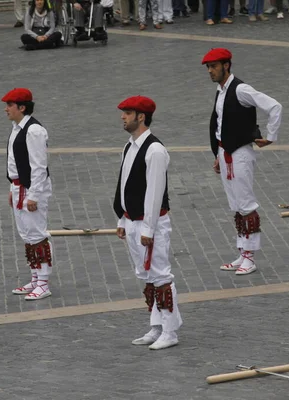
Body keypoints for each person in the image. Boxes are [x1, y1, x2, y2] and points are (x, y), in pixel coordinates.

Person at [202, 48, 282, 275]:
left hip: (240, 154)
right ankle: (242, 252)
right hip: (226, 153)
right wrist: (217, 155)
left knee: (246, 205)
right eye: (208, 67)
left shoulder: (241, 89)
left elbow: (274, 106)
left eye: (214, 66)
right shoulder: (221, 90)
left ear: (226, 65)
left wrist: (271, 136)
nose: (210, 71)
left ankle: (250, 256)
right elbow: (219, 126)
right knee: (236, 205)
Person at [114, 96, 183, 350]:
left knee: (160, 275)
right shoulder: (129, 146)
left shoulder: (154, 150)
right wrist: (122, 217)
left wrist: (149, 229)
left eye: (128, 112)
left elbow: (154, 193)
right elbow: (124, 185)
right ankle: (157, 325)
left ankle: (171, 330)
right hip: (133, 221)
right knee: (146, 275)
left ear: (141, 116)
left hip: (149, 223)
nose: (123, 117)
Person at [3, 88, 54, 301]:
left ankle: (43, 282)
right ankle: (35, 277)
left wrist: (33, 195)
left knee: (37, 234)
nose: (6, 109)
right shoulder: (17, 128)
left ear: (21, 107)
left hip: (31, 188)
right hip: (19, 187)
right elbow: (15, 161)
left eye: (10, 105)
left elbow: (39, 166)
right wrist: (12, 189)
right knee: (26, 234)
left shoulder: (33, 131)